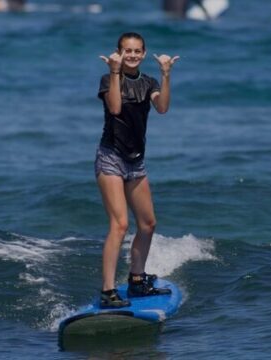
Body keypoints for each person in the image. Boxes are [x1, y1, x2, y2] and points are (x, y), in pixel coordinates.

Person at [96, 32, 180, 308]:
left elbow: (164, 108)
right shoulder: (109, 79)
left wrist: (166, 75)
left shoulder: (148, 83)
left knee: (148, 224)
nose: (132, 55)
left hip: (136, 161)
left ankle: (136, 280)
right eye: (126, 51)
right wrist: (115, 70)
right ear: (118, 52)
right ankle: (108, 292)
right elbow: (116, 108)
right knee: (120, 224)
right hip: (111, 158)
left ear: (144, 54)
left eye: (136, 51)